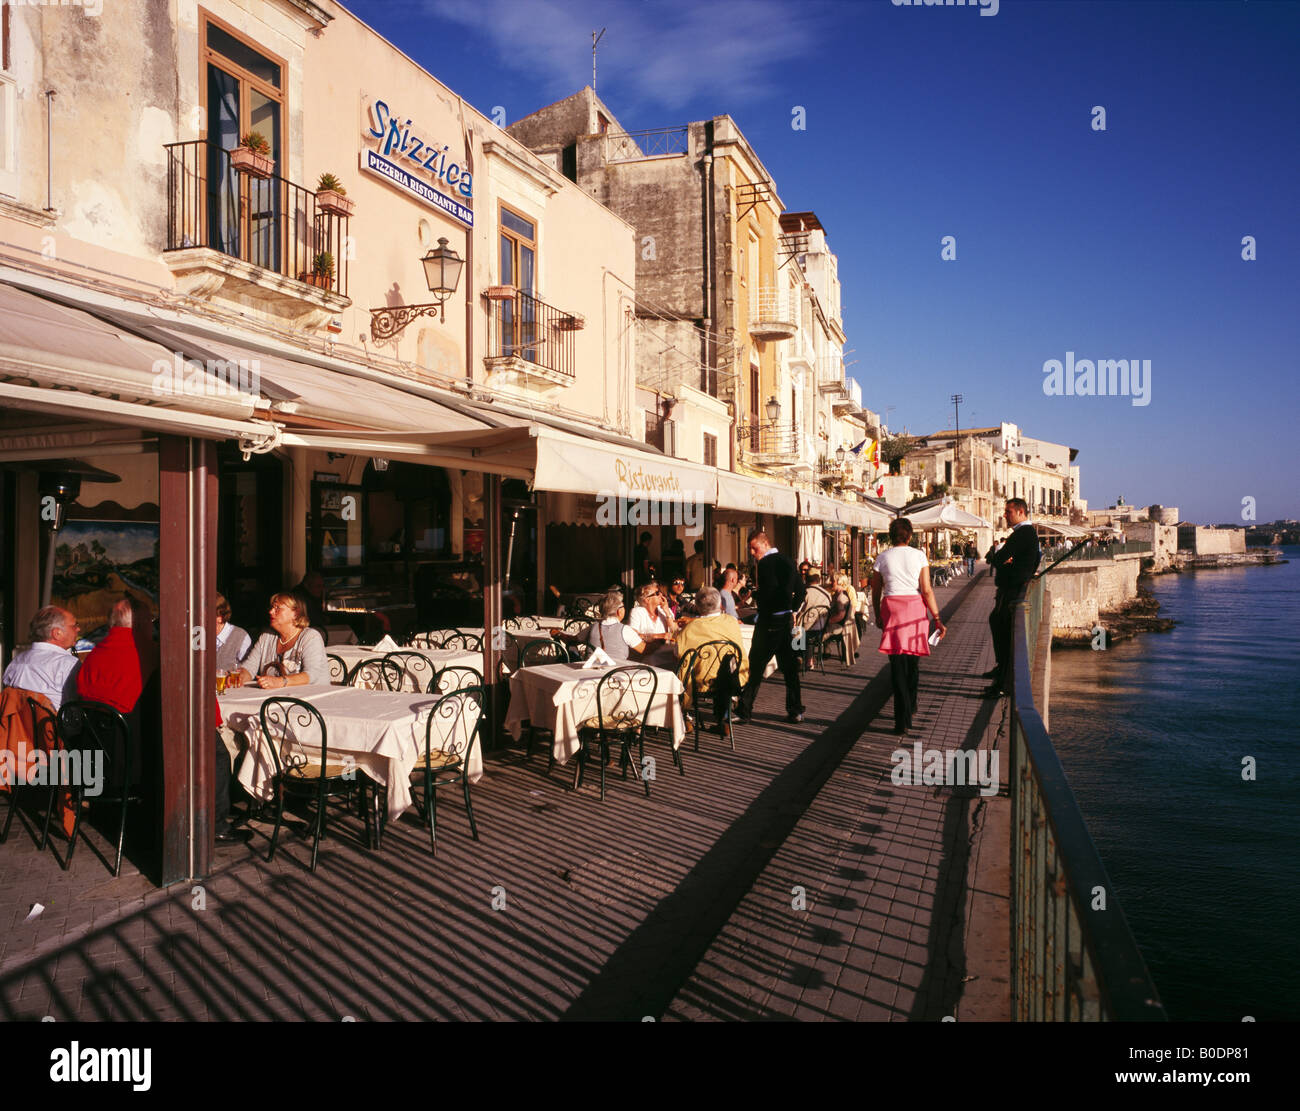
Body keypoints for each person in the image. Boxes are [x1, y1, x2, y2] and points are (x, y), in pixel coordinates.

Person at [871, 518, 946, 734]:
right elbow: (926, 590)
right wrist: (937, 618)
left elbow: (876, 592)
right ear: (910, 536)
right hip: (914, 609)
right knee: (912, 663)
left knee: (896, 664)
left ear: (891, 536)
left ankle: (901, 719)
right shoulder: (919, 555)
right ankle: (911, 706)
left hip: (892, 609)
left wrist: (877, 615)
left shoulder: (882, 557)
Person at [736, 529, 806, 724]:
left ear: (764, 544)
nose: (752, 553)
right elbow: (801, 591)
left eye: (753, 548)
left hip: (768, 621)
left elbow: (768, 594)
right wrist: (791, 609)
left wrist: (758, 597)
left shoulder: (765, 563)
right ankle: (795, 709)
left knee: (756, 665)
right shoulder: (789, 561)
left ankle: (745, 709)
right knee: (789, 668)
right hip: (785, 620)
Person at [983, 497, 1041, 697]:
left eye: (1008, 512)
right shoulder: (1027, 533)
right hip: (1013, 588)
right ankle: (1001, 671)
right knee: (997, 622)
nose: (1005, 515)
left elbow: (997, 558)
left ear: (1020, 512)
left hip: (1012, 590)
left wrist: (1004, 562)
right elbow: (1036, 558)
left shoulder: (1022, 534)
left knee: (1005, 633)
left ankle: (1002, 684)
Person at [674, 586, 750, 719]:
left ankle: (683, 716)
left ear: (697, 606)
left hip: (702, 682)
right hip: (731, 679)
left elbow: (678, 654)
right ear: (720, 604)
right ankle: (724, 719)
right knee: (724, 667)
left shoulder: (690, 628)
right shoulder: (731, 622)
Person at [228, 593, 328, 689]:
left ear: (295, 613)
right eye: (272, 607)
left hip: (310, 700)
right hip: (276, 699)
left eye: (277, 608)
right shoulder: (266, 637)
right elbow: (250, 667)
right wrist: (240, 677)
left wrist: (280, 682)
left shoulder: (310, 637)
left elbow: (312, 674)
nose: (271, 612)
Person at [1, 605, 81, 710]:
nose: (78, 629)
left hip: (17, 725)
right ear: (57, 633)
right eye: (74, 626)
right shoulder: (68, 664)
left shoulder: (16, 662)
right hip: (54, 725)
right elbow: (77, 707)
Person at [75, 598, 143, 714]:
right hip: (132, 727)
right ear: (140, 622)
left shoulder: (95, 653)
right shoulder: (143, 651)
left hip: (92, 727)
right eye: (148, 619)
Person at [627, 582, 679, 668]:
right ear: (647, 600)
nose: (661, 595)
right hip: (646, 654)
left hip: (666, 651)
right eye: (657, 593)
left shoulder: (664, 610)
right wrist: (659, 636)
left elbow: (675, 631)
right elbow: (632, 635)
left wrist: (667, 612)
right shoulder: (637, 612)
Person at [586, 591, 645, 661]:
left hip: (593, 670)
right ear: (618, 611)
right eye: (623, 606)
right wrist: (658, 640)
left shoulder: (592, 627)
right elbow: (644, 649)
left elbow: (574, 639)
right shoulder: (625, 630)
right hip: (618, 670)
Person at [215, 592, 252, 676]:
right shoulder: (198, 635)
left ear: (219, 617)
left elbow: (248, 670)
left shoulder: (241, 637)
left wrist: (225, 674)